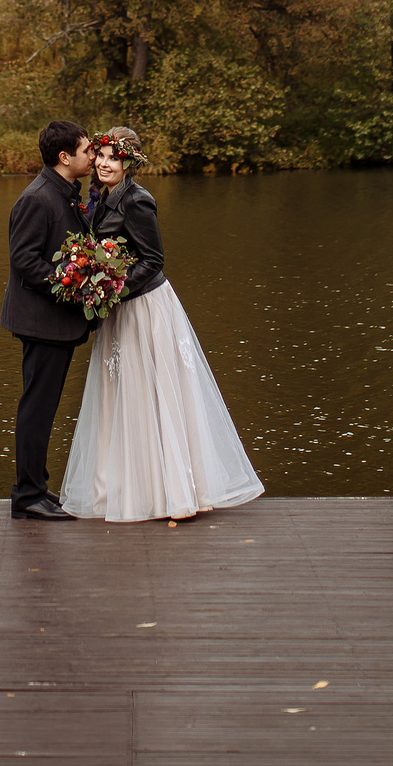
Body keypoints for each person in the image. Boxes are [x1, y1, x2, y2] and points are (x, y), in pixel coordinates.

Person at [57, 126, 263, 523]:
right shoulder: (99, 198)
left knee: (153, 393)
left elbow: (153, 261)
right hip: (119, 311)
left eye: (112, 158)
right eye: (99, 156)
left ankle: (171, 490)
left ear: (129, 163)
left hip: (145, 307)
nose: (102, 163)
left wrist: (111, 292)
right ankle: (119, 489)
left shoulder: (137, 201)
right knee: (120, 395)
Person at [0, 119, 94, 520]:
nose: (92, 155)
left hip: (53, 323)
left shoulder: (65, 193)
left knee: (43, 407)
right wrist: (68, 284)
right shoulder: (37, 198)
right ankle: (27, 496)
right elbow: (23, 261)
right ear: (64, 156)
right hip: (41, 322)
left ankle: (37, 487)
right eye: (87, 150)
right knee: (36, 408)